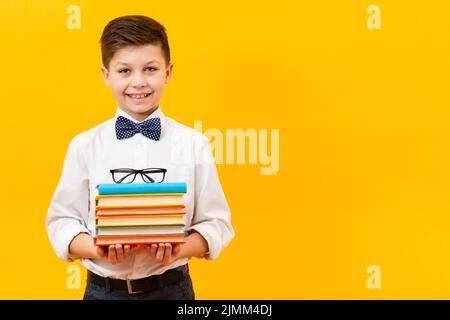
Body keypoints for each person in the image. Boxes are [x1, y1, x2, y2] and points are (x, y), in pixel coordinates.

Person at [46, 15, 235, 300]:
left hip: (171, 289)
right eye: (124, 70)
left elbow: (216, 223)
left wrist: (179, 249)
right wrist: (95, 248)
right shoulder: (84, 145)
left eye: (150, 69)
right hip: (103, 291)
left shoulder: (194, 144)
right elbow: (62, 221)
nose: (138, 82)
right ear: (106, 75)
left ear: (168, 72)